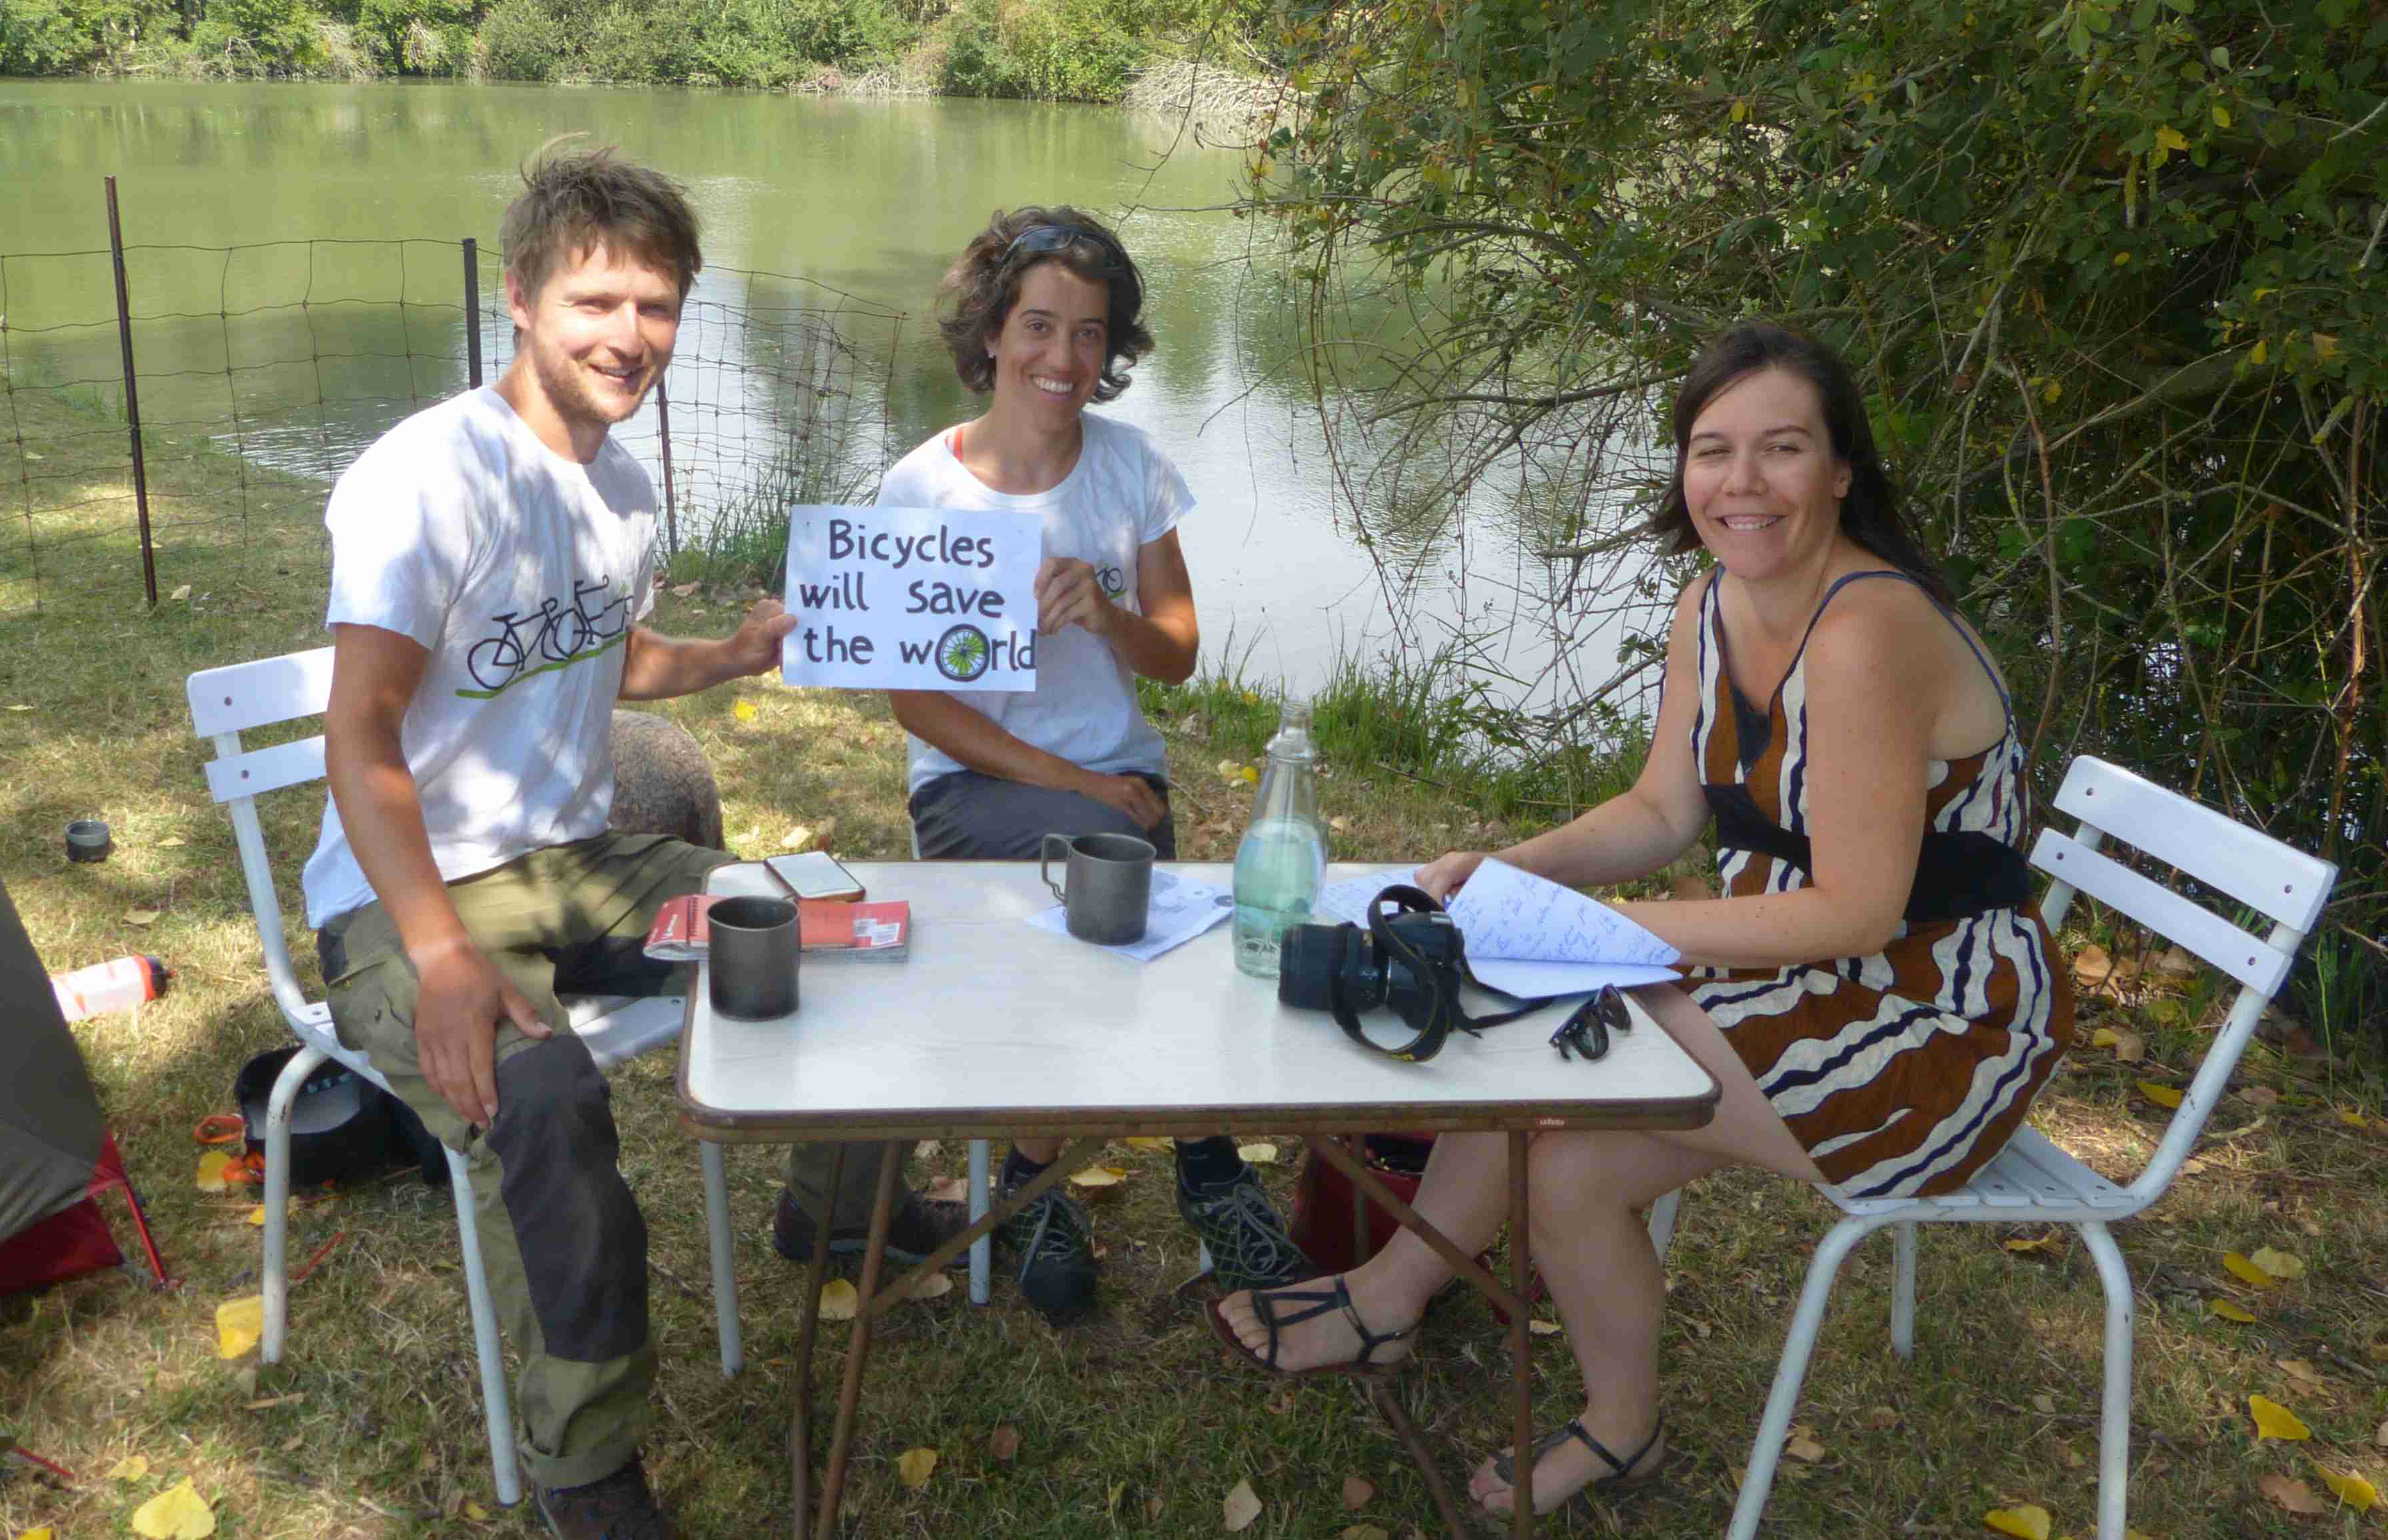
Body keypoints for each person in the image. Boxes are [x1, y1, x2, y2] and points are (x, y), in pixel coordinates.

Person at [1213, 322, 2074, 1516]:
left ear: (1842, 471)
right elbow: (1664, 807)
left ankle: (1386, 1301)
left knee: (1549, 1043)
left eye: (1782, 449)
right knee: (1560, 1154)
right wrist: (1507, 867)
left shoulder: (1870, 631)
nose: (1743, 483)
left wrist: (1627, 938)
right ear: (1684, 472)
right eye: (1713, 450)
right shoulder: (1713, 605)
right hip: (1798, 984)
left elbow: (1860, 910)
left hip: (1933, 1026)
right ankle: (1605, 1418)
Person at [307, 139, 824, 1540]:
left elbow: (601, 653)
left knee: (825, 931)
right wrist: (435, 954)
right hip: (403, 900)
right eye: (597, 302)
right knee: (546, 1104)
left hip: (582, 864)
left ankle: (832, 1208)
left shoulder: (624, 492)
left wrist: (722, 656)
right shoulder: (422, 477)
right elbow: (360, 740)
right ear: (523, 298)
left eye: (656, 307)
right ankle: (583, 1468)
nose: (630, 337)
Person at [775, 206, 1313, 1320]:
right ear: (990, 333)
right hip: (980, 789)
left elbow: (1177, 654)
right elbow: (916, 702)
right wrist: (1068, 784)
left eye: (1089, 334)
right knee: (1110, 882)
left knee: (1122, 895)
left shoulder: (1130, 472)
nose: (1062, 358)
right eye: (1038, 325)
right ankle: (1149, 1172)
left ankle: (1069, 1178)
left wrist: (1109, 616)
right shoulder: (920, 489)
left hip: (1122, 781)